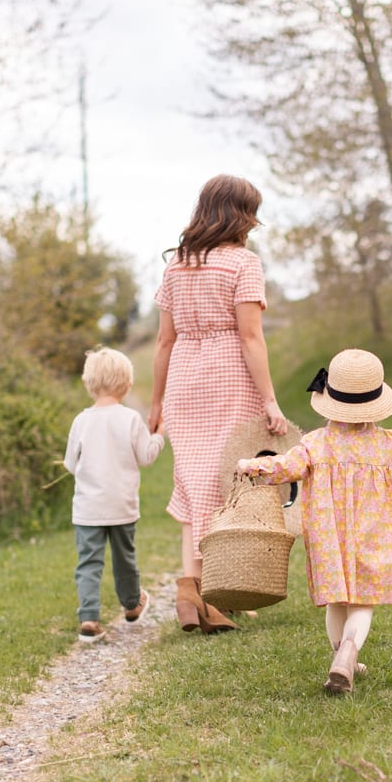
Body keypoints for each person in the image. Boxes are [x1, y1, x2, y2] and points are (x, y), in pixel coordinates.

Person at [236, 349, 392, 694]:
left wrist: (253, 465)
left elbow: (285, 467)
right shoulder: (388, 443)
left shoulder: (315, 444)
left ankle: (340, 657)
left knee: (336, 599)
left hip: (328, 536)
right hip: (375, 535)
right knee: (362, 603)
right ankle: (349, 653)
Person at [150, 174, 288, 634]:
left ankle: (201, 590)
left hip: (185, 377)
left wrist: (156, 403)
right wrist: (269, 400)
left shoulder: (177, 265)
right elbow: (250, 336)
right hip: (228, 373)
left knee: (195, 483)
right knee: (224, 482)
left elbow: (164, 342)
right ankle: (203, 590)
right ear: (241, 215)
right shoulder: (243, 264)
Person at [63, 347, 166, 643]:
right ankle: (132, 604)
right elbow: (146, 457)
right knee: (125, 558)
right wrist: (159, 435)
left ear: (89, 383)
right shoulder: (130, 419)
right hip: (121, 505)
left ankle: (89, 618)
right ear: (127, 384)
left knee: (89, 563)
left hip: (87, 509)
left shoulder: (80, 421)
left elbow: (71, 464)